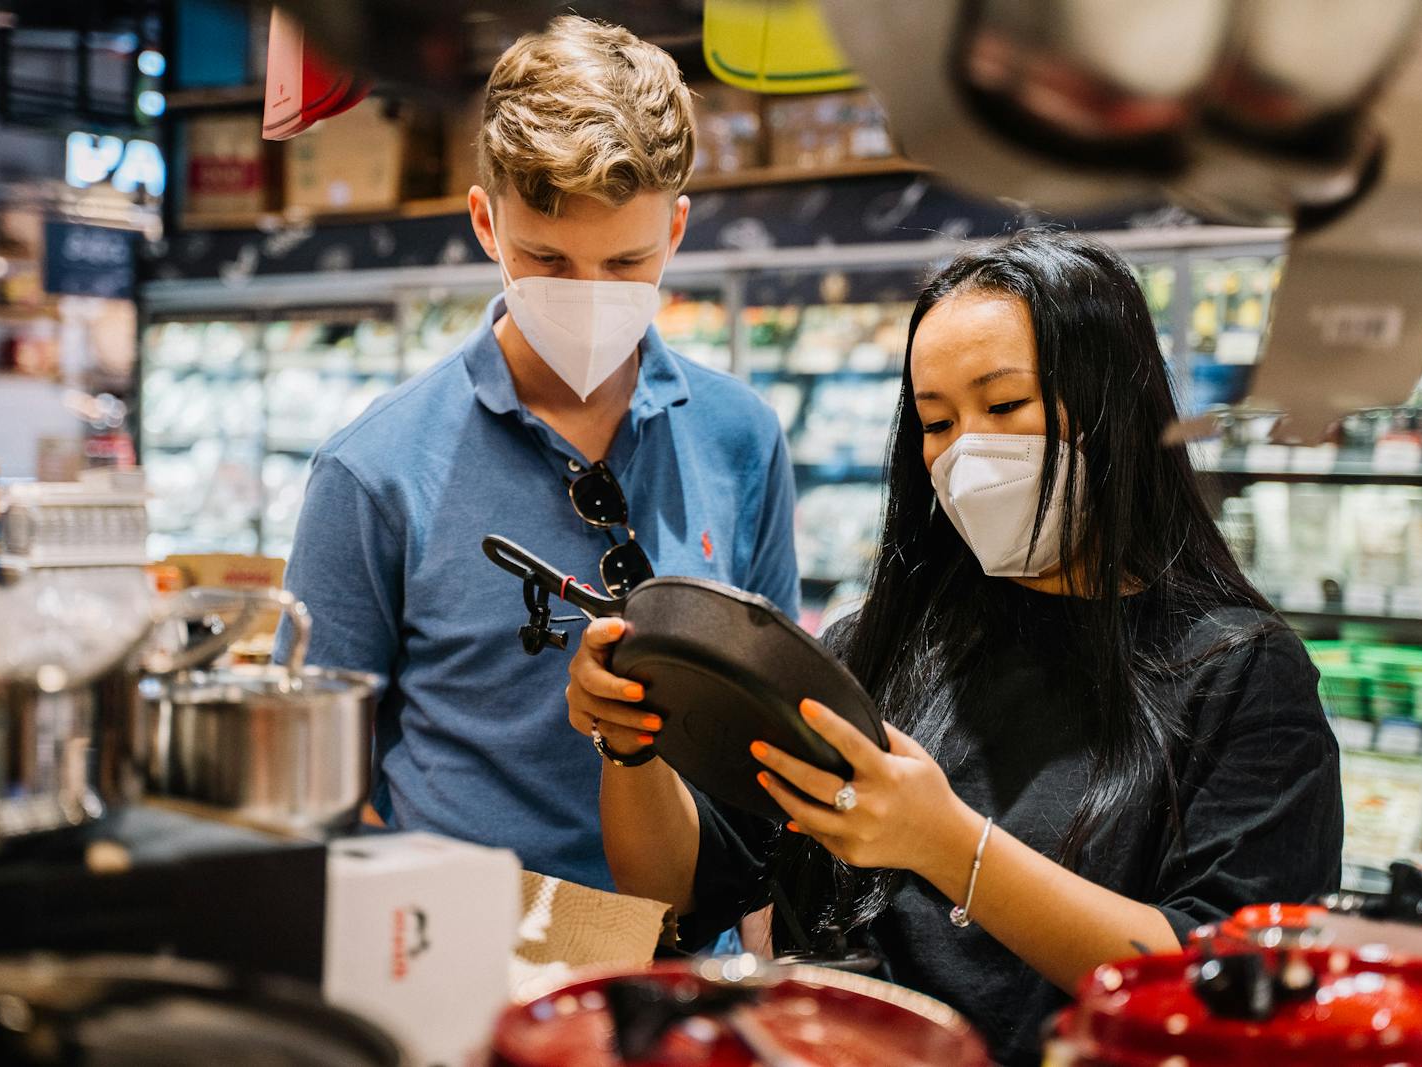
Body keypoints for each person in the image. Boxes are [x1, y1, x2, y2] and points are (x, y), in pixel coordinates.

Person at [567, 229, 1343, 1065]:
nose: (966, 450)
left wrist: (947, 843)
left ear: (1111, 404)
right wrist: (629, 738)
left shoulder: (1240, 675)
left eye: (1004, 406)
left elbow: (1225, 990)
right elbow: (679, 885)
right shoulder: (879, 643)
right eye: (937, 421)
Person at [279, 16, 798, 892]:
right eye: (548, 258)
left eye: (626, 261)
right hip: (466, 949)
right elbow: (317, 778)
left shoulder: (742, 436)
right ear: (487, 223)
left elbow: (769, 731)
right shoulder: (372, 470)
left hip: (686, 955)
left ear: (675, 233)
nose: (589, 297)